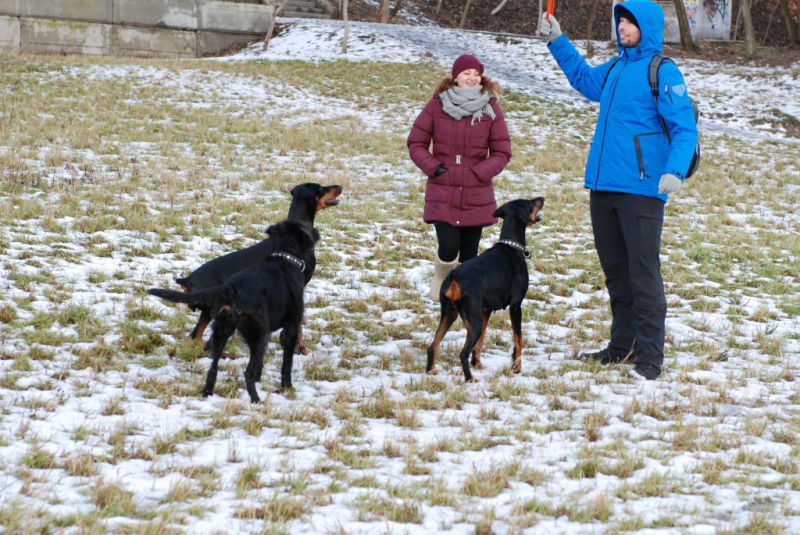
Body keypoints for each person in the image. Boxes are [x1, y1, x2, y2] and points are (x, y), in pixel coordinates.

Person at [539, 0, 698, 380]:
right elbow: (583, 80)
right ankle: (621, 347)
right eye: (620, 21)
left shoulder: (662, 71)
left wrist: (675, 169)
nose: (621, 27)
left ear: (647, 27)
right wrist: (557, 41)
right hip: (604, 186)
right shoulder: (615, 67)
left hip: (642, 190)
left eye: (629, 22)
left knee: (643, 275)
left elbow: (684, 128)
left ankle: (650, 359)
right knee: (616, 274)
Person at [407, 54, 512, 301]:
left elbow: (502, 151)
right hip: (443, 188)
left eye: (476, 74)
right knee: (448, 246)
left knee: (469, 253)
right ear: (456, 77)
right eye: (467, 73)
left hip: (476, 190)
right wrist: (435, 168)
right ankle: (441, 279)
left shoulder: (490, 108)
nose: (472, 78)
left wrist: (479, 172)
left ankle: (464, 296)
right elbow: (416, 143)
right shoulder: (436, 106)